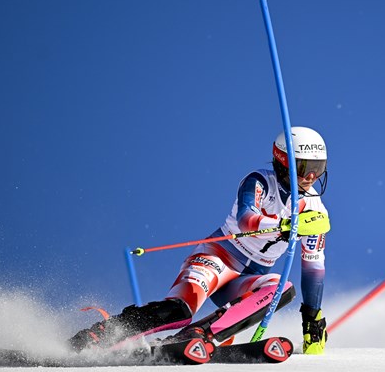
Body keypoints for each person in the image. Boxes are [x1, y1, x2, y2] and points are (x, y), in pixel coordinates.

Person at [69, 126, 331, 355]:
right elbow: (246, 219)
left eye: (318, 169)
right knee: (180, 311)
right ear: (283, 162)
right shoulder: (260, 181)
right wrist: (285, 225)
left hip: (247, 278)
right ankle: (101, 334)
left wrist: (312, 317)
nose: (311, 177)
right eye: (304, 168)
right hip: (218, 257)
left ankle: (200, 335)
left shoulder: (316, 212)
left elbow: (313, 267)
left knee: (281, 289)